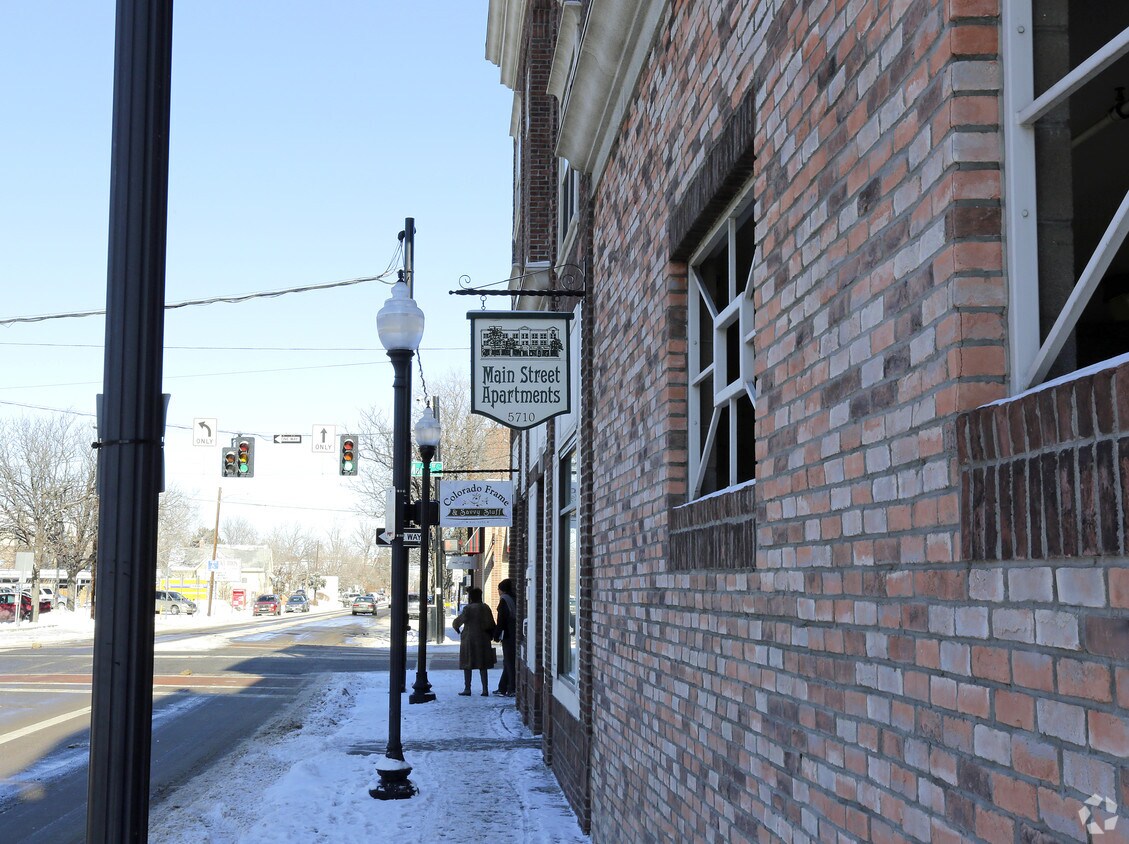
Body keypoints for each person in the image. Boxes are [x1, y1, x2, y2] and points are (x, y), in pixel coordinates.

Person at [451, 587, 497, 696]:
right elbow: (491, 623)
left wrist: (457, 628)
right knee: (483, 665)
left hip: (469, 639)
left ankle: (467, 688)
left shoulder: (468, 608)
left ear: (471, 597)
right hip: (483, 639)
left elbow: (458, 622)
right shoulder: (485, 607)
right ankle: (485, 689)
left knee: (468, 663)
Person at [493, 579, 517, 696]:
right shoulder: (514, 598)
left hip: (508, 634)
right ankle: (502, 687)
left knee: (509, 661)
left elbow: (501, 619)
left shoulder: (504, 600)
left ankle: (511, 687)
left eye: (498, 589)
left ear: (502, 589)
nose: (498, 591)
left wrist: (496, 635)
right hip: (514, 633)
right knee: (508, 661)